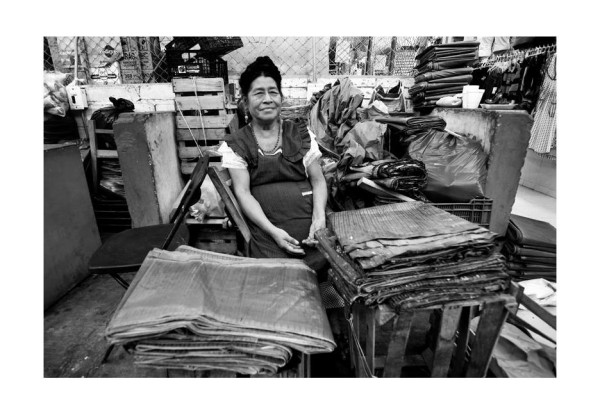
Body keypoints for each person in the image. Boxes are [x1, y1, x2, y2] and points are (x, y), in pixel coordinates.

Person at [218, 56, 329, 276]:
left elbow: (318, 181)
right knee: (277, 279)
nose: (267, 99)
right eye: (259, 93)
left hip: (312, 232)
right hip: (267, 236)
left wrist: (319, 219)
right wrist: (274, 232)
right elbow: (242, 192)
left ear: (281, 96)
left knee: (323, 276)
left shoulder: (299, 133)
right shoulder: (239, 143)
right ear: (245, 101)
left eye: (273, 92)